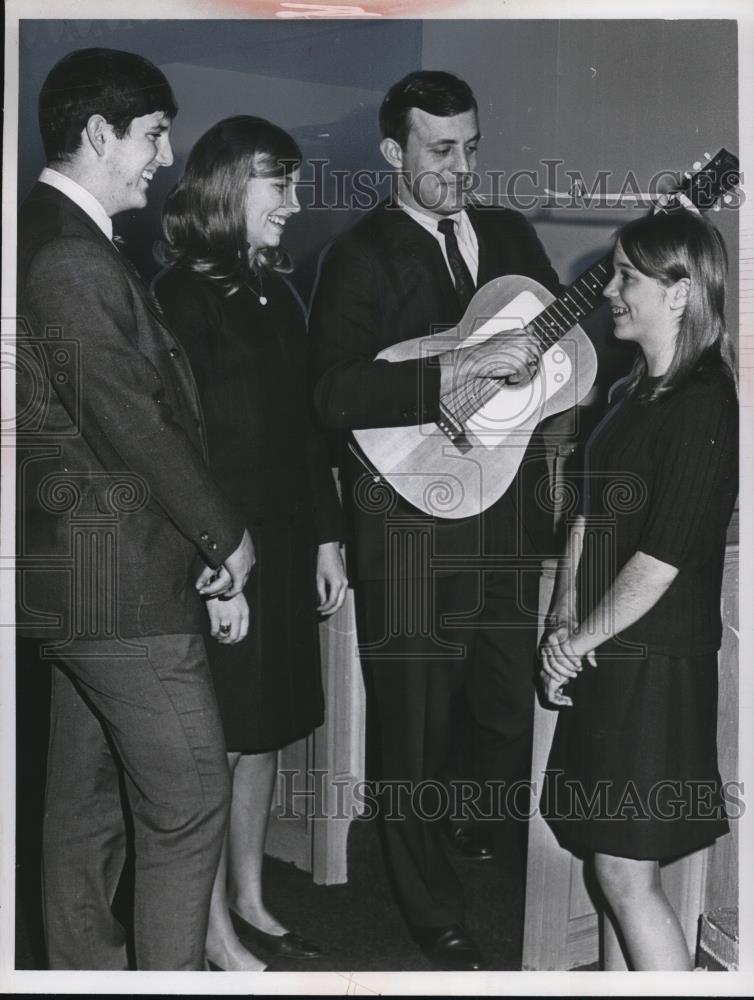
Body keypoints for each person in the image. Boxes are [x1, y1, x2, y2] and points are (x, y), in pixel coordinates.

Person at [309, 70, 560, 970]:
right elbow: (334, 392)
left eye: (473, 148)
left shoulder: (511, 234)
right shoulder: (358, 254)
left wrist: (551, 369)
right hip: (405, 531)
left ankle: (474, 821)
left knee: (505, 709)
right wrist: (453, 374)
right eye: (441, 151)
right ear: (393, 154)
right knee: (411, 725)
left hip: (506, 521)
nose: (463, 168)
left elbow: (563, 348)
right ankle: (428, 913)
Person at [16, 48, 255, 970]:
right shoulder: (71, 258)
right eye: (153, 135)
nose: (166, 156)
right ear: (98, 134)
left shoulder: (49, 235)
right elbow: (133, 422)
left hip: (78, 590)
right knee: (190, 802)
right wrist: (226, 538)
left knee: (82, 818)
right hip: (124, 590)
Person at [154, 115, 347, 972]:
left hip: (284, 539)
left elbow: (309, 433)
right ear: (233, 185)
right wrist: (216, 565)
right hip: (222, 556)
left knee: (265, 732)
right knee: (220, 741)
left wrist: (327, 540)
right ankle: (206, 935)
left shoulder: (280, 291)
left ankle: (249, 897)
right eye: (283, 186)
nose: (297, 205)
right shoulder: (176, 298)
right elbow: (178, 448)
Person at [539, 210, 738, 970]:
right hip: (606, 653)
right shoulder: (636, 392)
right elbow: (588, 514)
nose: (610, 289)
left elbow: (661, 562)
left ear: (681, 291)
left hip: (653, 662)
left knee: (624, 871)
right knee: (610, 863)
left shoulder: (706, 403)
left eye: (628, 276)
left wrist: (575, 646)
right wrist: (562, 627)